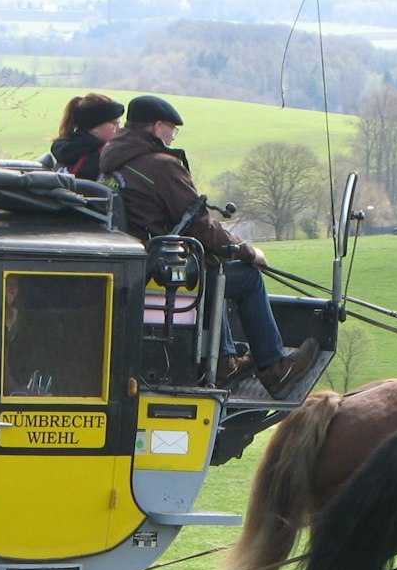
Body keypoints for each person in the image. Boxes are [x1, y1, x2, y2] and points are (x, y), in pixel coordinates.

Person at [99, 95, 318, 398]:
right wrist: (246, 251)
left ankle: (227, 357)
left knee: (212, 268)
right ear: (158, 126)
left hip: (138, 266)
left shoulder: (113, 161)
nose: (173, 136)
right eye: (173, 129)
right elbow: (199, 225)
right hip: (164, 274)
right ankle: (275, 368)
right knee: (246, 277)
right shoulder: (162, 166)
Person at [48, 93, 124, 181]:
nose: (119, 128)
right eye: (115, 122)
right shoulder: (101, 158)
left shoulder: (64, 148)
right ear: (94, 126)